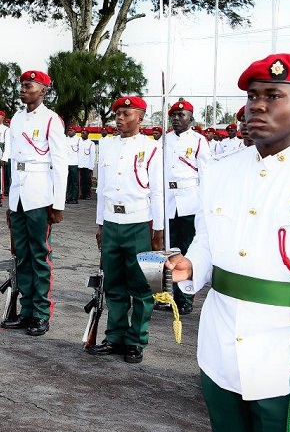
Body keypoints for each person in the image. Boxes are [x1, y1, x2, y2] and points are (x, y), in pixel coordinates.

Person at [167, 53, 290, 432]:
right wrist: (190, 266)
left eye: (274, 95)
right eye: (252, 96)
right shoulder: (221, 172)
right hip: (219, 350)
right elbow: (207, 241)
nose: (258, 105)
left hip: (289, 357)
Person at [87, 95, 164, 364]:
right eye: (118, 113)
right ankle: (115, 336)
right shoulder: (106, 146)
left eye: (126, 114)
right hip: (111, 222)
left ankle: (136, 340)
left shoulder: (152, 147)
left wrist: (159, 232)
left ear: (140, 117)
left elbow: (158, 192)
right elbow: (101, 190)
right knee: (114, 284)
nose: (120, 118)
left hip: (139, 223)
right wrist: (100, 225)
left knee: (142, 287)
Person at [0, 70, 68, 336]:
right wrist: (9, 200)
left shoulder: (52, 120)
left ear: (43, 90)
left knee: (39, 255)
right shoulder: (17, 118)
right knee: (22, 255)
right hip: (19, 194)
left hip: (40, 194)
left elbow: (60, 163)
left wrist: (58, 203)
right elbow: (14, 162)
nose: (23, 89)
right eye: (21, 85)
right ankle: (26, 310)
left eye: (29, 86)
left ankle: (41, 313)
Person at [158, 99, 210, 315]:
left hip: (190, 200)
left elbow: (206, 174)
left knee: (188, 250)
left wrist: (206, 202)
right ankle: (168, 294)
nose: (177, 119)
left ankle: (186, 297)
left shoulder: (199, 141)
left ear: (191, 118)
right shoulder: (164, 140)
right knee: (170, 249)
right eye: (174, 116)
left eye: (182, 115)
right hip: (168, 199)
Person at [77, 128, 96, 200]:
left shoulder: (91, 143)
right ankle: (81, 194)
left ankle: (87, 195)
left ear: (88, 134)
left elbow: (92, 155)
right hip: (80, 164)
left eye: (84, 133)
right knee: (80, 181)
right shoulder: (79, 142)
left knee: (87, 182)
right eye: (82, 133)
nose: (82, 134)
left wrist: (91, 166)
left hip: (87, 165)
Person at [64, 126, 81, 204]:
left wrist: (80, 164)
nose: (70, 131)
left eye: (71, 130)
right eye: (69, 130)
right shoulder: (65, 139)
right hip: (66, 163)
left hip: (75, 163)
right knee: (68, 182)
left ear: (75, 131)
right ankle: (68, 198)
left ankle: (74, 198)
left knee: (74, 182)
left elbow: (81, 153)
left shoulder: (79, 139)